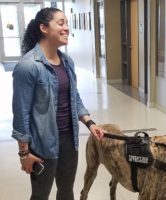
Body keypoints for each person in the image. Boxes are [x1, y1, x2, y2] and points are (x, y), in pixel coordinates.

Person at [12, 7, 104, 200]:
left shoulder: (66, 61)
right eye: (60, 23)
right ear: (44, 28)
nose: (66, 28)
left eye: (67, 23)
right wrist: (24, 153)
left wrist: (89, 122)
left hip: (70, 140)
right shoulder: (28, 66)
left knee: (66, 191)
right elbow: (21, 112)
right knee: (40, 195)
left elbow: (74, 96)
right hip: (43, 145)